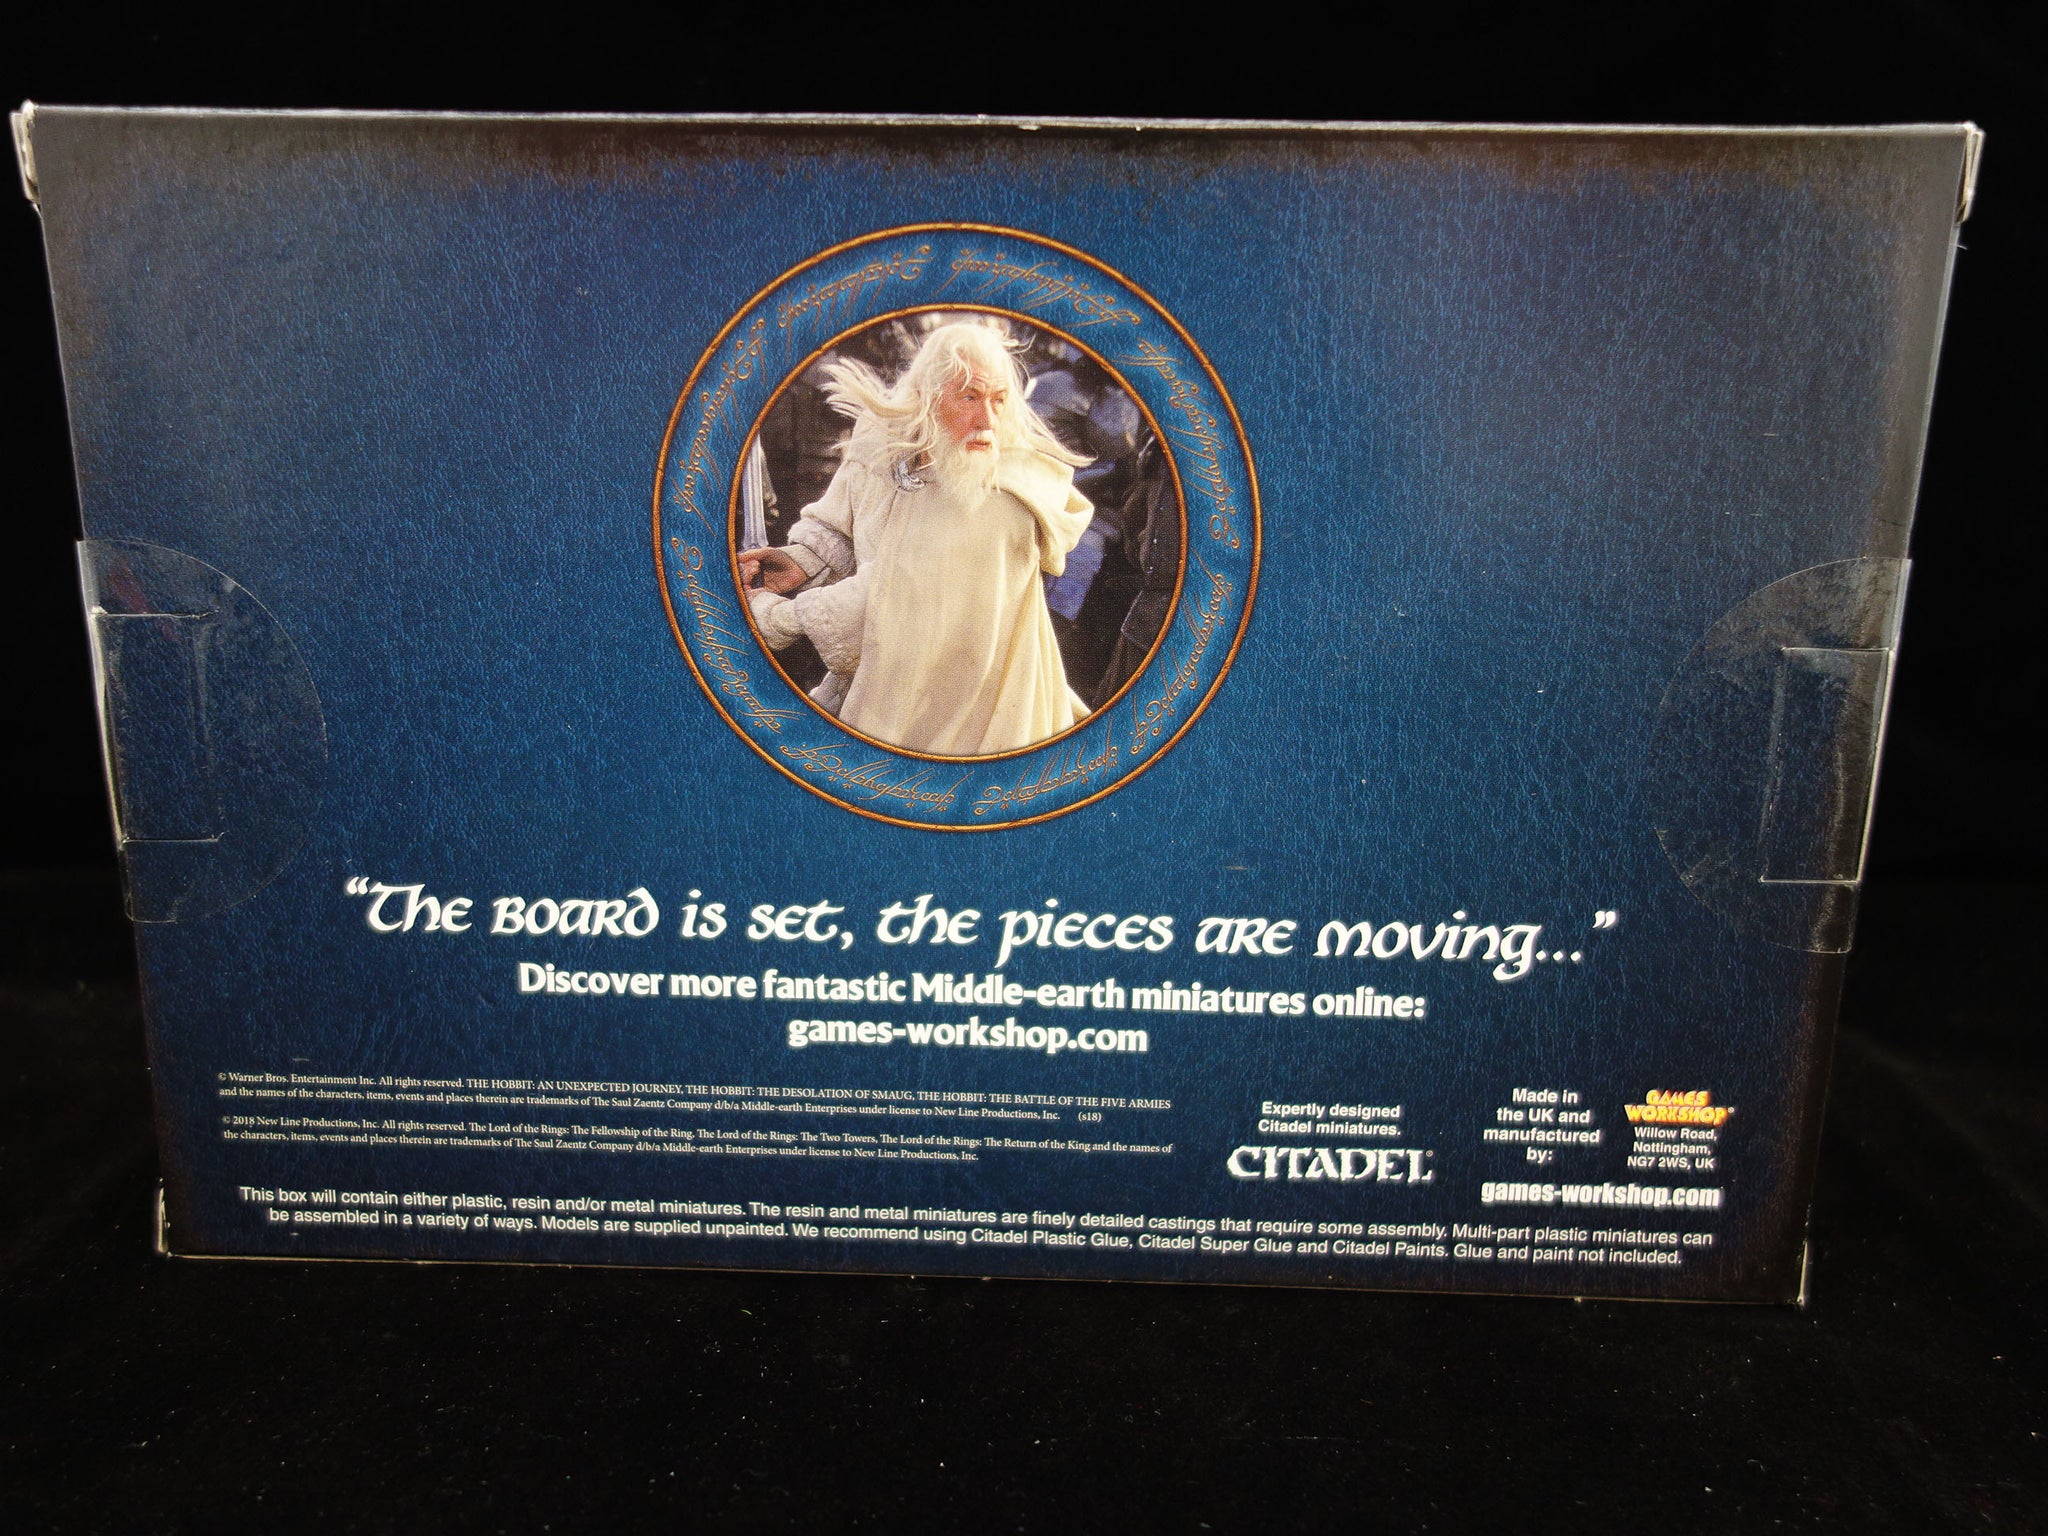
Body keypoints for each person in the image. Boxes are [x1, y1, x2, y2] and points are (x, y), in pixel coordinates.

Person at [739, 321, 1095, 756]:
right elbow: (853, 516)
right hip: (906, 693)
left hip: (972, 718)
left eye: (999, 400)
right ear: (927, 396)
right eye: (969, 397)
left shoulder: (999, 502)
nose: (987, 420)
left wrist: (776, 618)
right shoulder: (899, 450)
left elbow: (893, 595)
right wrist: (804, 560)